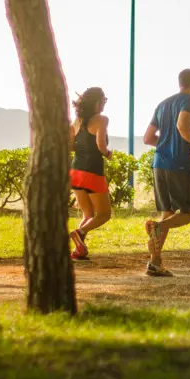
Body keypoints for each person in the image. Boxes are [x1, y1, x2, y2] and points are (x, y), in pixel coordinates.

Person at [142, 68, 190, 277]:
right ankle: (157, 227)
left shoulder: (162, 104)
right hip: (178, 163)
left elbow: (148, 138)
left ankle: (155, 263)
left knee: (167, 213)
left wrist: (166, 143)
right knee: (187, 214)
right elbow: (182, 125)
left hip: (159, 163)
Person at [69, 87, 112, 260]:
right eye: (104, 100)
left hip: (76, 171)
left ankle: (79, 250)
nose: (104, 104)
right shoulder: (101, 120)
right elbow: (101, 145)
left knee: (88, 214)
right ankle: (79, 232)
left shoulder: (77, 121)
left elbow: (70, 145)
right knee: (104, 214)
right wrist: (108, 154)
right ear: (96, 102)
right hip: (93, 172)